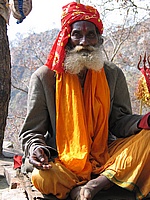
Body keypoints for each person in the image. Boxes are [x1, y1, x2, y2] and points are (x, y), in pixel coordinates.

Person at [19, 2, 150, 200]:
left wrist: (142, 122)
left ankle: (96, 184)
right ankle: (80, 188)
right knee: (42, 176)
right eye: (77, 34)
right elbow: (32, 132)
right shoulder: (44, 78)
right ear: (67, 38)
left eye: (91, 35)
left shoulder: (112, 74)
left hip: (105, 155)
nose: (84, 42)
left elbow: (119, 122)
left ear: (99, 39)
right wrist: (37, 149)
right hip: (63, 160)